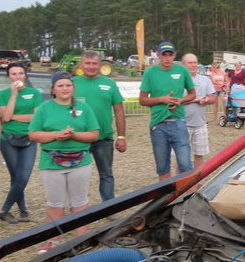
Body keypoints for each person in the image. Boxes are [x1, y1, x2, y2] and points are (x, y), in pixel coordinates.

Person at [29, 71, 99, 251]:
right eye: (60, 85)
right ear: (53, 89)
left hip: (81, 161)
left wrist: (73, 135)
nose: (65, 88)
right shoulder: (45, 108)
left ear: (73, 88)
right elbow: (33, 134)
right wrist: (55, 135)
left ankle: (82, 239)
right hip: (51, 163)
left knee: (80, 201)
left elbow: (94, 134)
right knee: (55, 202)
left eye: (68, 85)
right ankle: (53, 240)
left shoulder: (84, 107)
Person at [72, 51, 127, 202]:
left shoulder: (109, 84)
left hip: (103, 139)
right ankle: (77, 208)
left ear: (100, 65)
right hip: (78, 140)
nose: (91, 67)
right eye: (87, 63)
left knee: (106, 175)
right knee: (76, 175)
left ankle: (109, 207)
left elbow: (119, 110)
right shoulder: (72, 83)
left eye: (94, 63)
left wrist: (121, 136)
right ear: (81, 65)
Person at [139, 42, 195, 181]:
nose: (168, 58)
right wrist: (161, 99)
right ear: (158, 55)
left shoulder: (182, 71)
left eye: (171, 55)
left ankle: (187, 197)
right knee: (162, 167)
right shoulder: (150, 72)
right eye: (164, 55)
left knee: (185, 164)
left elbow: (192, 94)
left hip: (178, 122)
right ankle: (166, 199)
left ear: (175, 55)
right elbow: (142, 100)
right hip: (158, 125)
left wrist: (180, 101)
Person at [0, 64, 43, 224]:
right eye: (13, 74)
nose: (17, 77)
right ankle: (23, 210)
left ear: (25, 75)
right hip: (8, 139)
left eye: (20, 73)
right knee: (16, 176)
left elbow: (36, 118)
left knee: (23, 176)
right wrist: (14, 96)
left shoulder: (35, 93)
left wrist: (14, 116)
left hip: (29, 138)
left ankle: (4, 210)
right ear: (8, 77)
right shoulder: (3, 94)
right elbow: (5, 118)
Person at [182, 53, 216, 169]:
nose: (193, 65)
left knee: (199, 156)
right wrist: (195, 99)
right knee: (181, 157)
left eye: (195, 62)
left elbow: (213, 98)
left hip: (200, 124)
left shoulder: (205, 80)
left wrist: (206, 99)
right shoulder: (178, 80)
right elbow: (175, 101)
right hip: (182, 124)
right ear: (183, 65)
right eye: (190, 63)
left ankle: (197, 184)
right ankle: (181, 184)